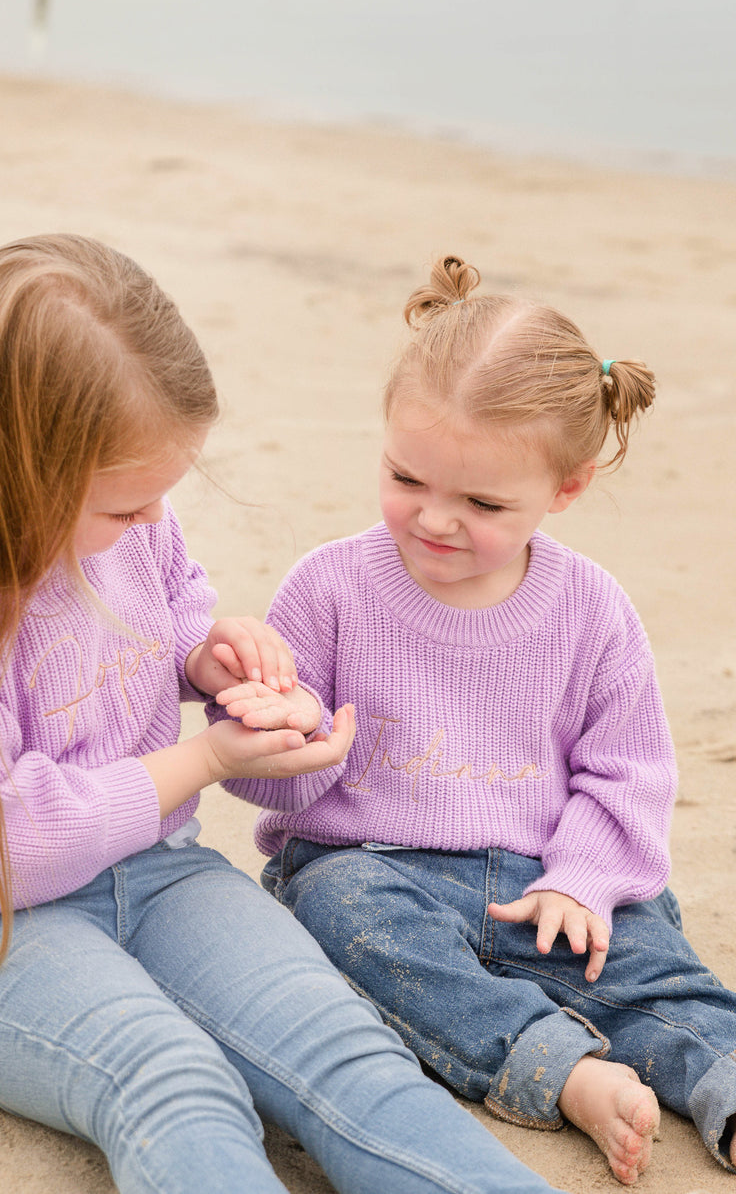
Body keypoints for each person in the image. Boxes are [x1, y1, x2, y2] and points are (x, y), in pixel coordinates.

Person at [0, 236, 567, 1194]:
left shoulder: (135, 524)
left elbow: (170, 601)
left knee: (345, 1050)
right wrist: (207, 760)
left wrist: (211, 656)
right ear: (20, 472)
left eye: (163, 495)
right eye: (125, 506)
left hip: (155, 870)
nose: (153, 522)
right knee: (173, 1078)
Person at [214, 255, 736, 1186]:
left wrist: (581, 879)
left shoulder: (591, 609)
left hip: (551, 879)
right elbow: (260, 778)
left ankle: (722, 1078)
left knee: (652, 962)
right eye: (407, 477)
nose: (435, 520)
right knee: (341, 918)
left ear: (565, 488)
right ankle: (559, 1068)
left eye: (483, 503)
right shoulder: (332, 587)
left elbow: (627, 772)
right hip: (372, 868)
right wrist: (287, 730)